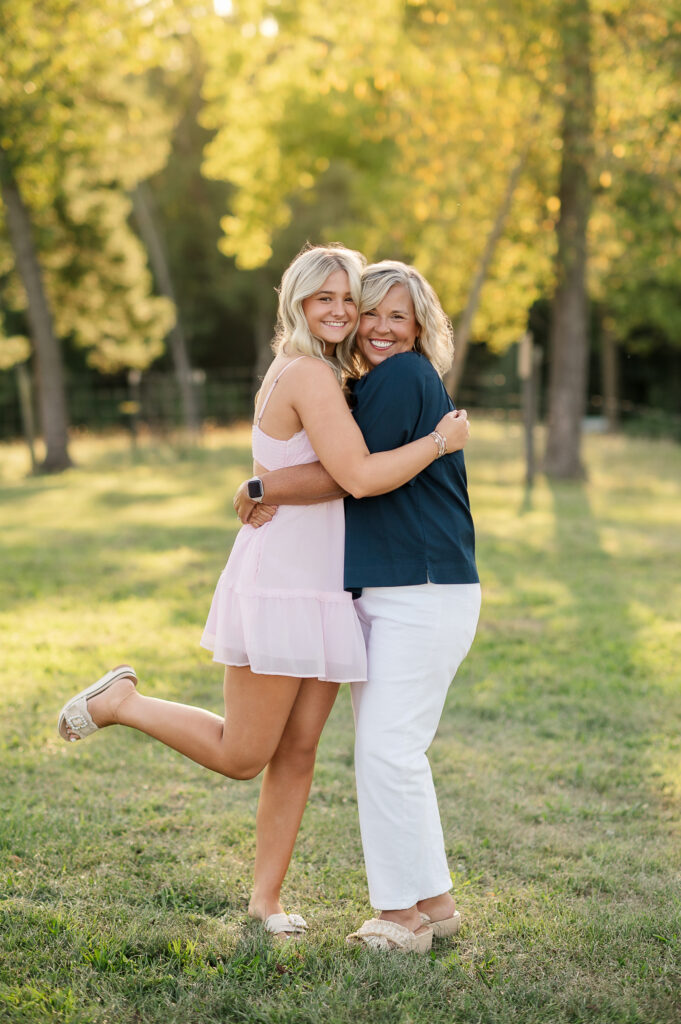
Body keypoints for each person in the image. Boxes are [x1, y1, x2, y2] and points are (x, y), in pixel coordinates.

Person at [57, 245, 470, 942]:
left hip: (331, 583)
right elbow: (354, 476)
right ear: (297, 303)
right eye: (327, 299)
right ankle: (121, 701)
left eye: (350, 298)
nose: (343, 312)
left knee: (300, 750)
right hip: (285, 579)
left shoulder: (335, 376)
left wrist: (263, 483)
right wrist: (437, 442)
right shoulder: (308, 373)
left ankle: (265, 899)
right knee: (243, 754)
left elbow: (328, 472)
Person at [234, 260, 480, 953]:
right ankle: (434, 903)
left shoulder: (400, 377)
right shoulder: (366, 384)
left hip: (420, 588)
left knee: (386, 751)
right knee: (394, 752)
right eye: (369, 310)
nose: (377, 326)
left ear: (419, 326)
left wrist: (261, 485)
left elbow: (351, 475)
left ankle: (401, 917)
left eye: (396, 315)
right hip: (395, 589)